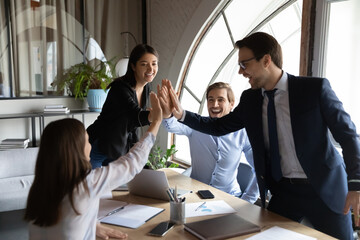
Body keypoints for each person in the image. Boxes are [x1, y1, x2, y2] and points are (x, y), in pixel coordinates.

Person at [161, 32, 360, 239]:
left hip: (325, 190)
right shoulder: (250, 100)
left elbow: (348, 136)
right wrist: (181, 114)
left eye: (244, 64)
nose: (240, 71)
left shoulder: (314, 89)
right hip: (284, 193)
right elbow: (218, 127)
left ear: (266, 60)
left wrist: (356, 185)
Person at [24, 92, 163, 239]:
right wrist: (156, 122)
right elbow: (131, 163)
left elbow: (64, 223)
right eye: (87, 141)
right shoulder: (86, 185)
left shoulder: (41, 188)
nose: (90, 146)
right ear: (76, 151)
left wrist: (92, 224)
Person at [159, 82, 259, 203]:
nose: (214, 104)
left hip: (230, 198)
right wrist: (167, 114)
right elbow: (172, 126)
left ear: (231, 104)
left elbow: (259, 168)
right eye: (210, 100)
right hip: (197, 196)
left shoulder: (242, 133)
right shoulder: (196, 125)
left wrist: (248, 200)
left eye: (220, 100)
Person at [87, 44, 159, 169]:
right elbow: (134, 115)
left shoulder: (146, 87)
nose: (150, 69)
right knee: (95, 187)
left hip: (117, 149)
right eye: (144, 64)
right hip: (99, 146)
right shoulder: (120, 87)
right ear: (133, 66)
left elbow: (132, 125)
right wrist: (157, 114)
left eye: (154, 63)